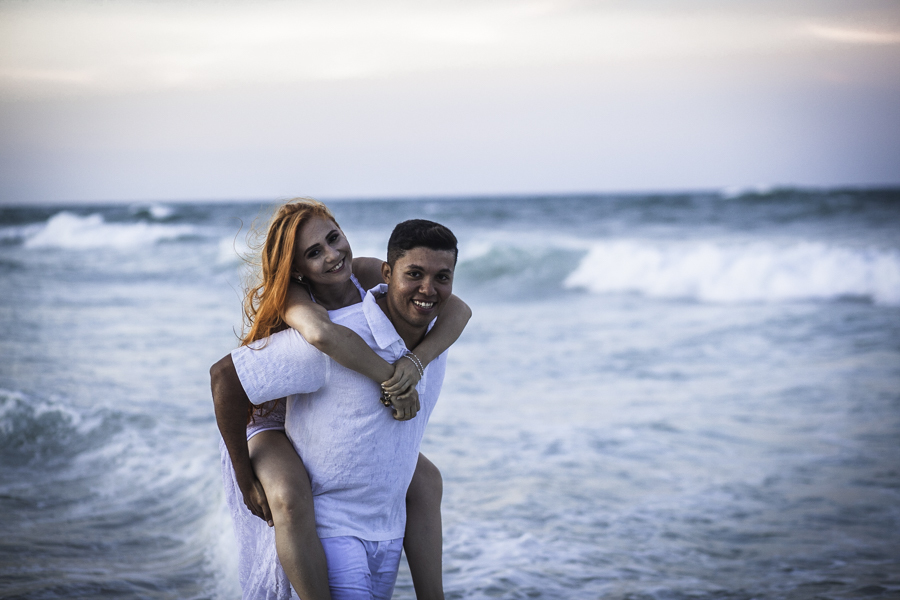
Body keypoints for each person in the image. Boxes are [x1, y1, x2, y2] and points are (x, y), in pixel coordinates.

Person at [212, 200, 468, 599]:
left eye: (334, 239)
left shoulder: (368, 272)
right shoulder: (302, 305)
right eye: (314, 252)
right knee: (290, 499)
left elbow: (459, 309)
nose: (332, 255)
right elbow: (324, 337)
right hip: (270, 419)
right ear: (297, 267)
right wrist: (392, 380)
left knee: (426, 479)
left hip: (320, 417)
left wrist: (416, 363)